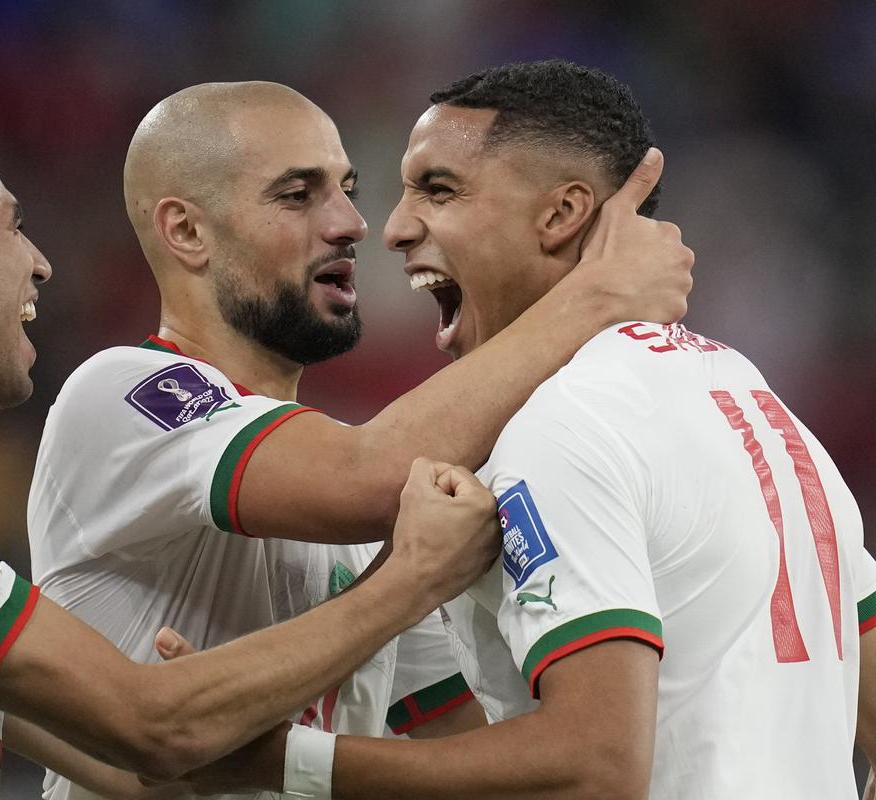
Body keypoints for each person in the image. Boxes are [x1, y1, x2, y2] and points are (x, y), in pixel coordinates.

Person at [0, 120, 502, 800]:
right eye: (12, 227)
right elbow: (154, 724)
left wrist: (223, 705)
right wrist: (409, 579)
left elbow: (154, 768)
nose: (39, 262)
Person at [170, 61, 876, 800]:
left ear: (561, 214)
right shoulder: (762, 411)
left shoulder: (564, 424)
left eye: (439, 189)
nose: (395, 227)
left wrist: (285, 764)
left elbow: (596, 768)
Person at [27, 81, 693, 798]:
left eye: (346, 188)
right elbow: (364, 479)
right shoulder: (121, 394)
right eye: (296, 195)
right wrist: (596, 294)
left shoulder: (362, 507)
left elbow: (455, 752)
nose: (350, 222)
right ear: (187, 232)